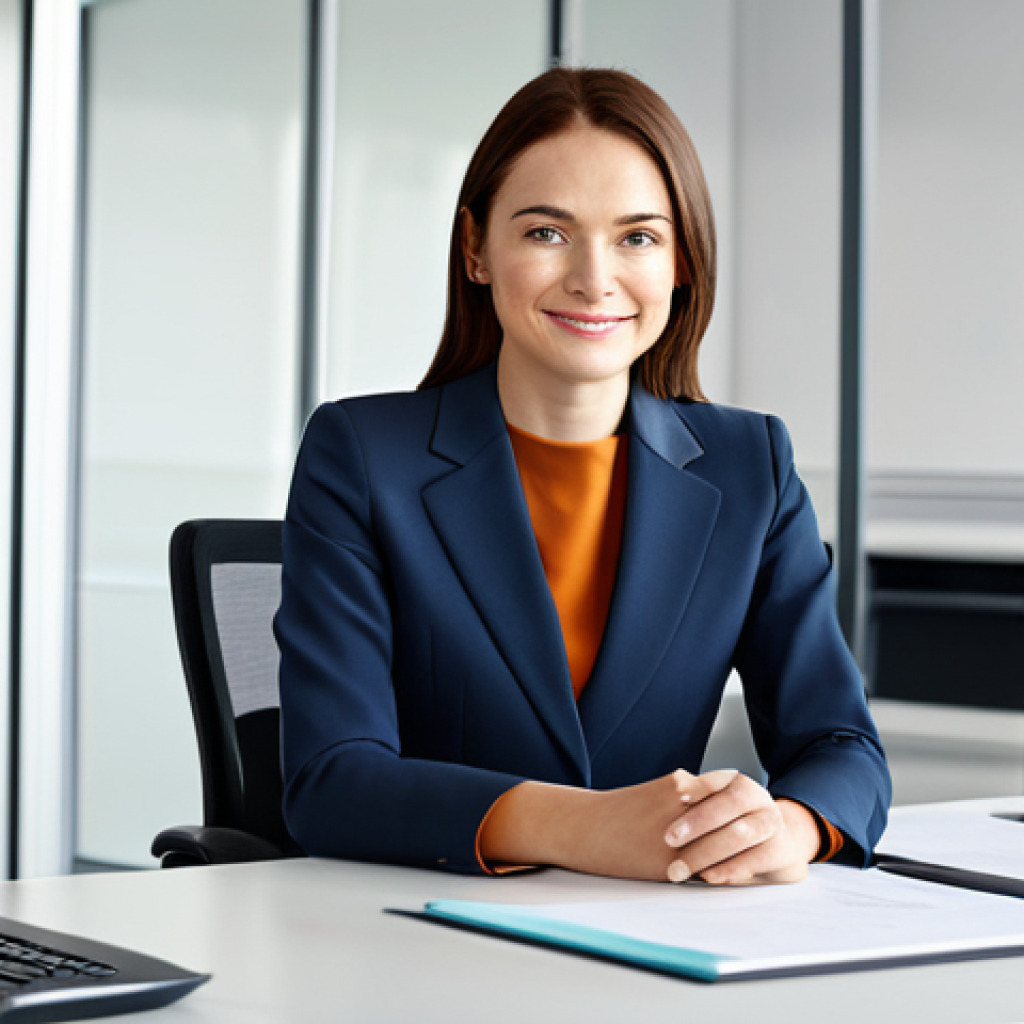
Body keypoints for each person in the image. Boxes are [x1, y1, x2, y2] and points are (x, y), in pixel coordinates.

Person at [274, 67, 891, 886]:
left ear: (680, 262)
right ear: (476, 248)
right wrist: (584, 825)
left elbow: (841, 747)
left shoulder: (753, 468)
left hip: (660, 937)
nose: (594, 278)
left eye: (638, 236)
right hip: (417, 932)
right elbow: (331, 780)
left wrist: (791, 827)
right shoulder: (359, 453)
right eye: (546, 232)